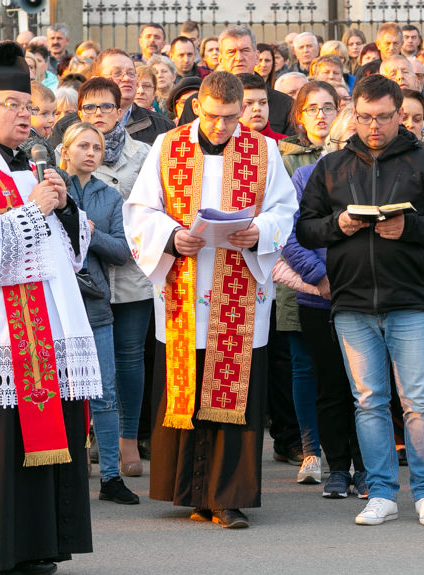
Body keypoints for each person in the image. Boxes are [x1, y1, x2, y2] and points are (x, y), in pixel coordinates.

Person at [0, 42, 101, 574]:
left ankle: (42, 546)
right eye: (12, 104)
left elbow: (66, 257)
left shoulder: (31, 165)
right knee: (7, 451)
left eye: (29, 106)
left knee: (49, 448)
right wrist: (35, 210)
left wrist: (64, 207)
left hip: (45, 334)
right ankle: (2, 551)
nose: (24, 115)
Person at [123, 71, 297, 529]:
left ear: (243, 109)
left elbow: (285, 208)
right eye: (215, 116)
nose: (222, 127)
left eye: (232, 117)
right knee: (188, 390)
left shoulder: (264, 150)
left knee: (232, 392)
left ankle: (227, 496)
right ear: (198, 106)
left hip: (238, 288)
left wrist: (260, 230)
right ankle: (190, 491)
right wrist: (172, 235)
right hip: (183, 287)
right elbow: (141, 209)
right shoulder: (167, 146)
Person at [297, 74, 424, 527]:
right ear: (355, 114)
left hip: (410, 299)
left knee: (418, 401)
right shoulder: (331, 165)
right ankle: (382, 492)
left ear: (399, 114)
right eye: (366, 118)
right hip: (351, 301)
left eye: (385, 118)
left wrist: (410, 229)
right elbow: (305, 229)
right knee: (368, 401)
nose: (375, 126)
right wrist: (341, 224)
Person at [282, 108, 367, 497]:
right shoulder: (305, 176)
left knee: (367, 389)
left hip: (368, 295)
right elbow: (292, 234)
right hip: (320, 296)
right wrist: (320, 277)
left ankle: (367, 468)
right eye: (345, 135)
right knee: (330, 386)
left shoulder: (377, 176)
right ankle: (337, 468)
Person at [73, 77, 153, 481]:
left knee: (129, 357)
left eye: (106, 107)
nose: (98, 115)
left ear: (121, 111)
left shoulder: (143, 153)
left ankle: (127, 439)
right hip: (87, 277)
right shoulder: (63, 158)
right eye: (90, 108)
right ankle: (91, 437)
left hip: (131, 269)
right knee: (86, 360)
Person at [59, 120, 139, 503]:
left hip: (95, 306)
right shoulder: (50, 186)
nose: (91, 153)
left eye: (97, 147)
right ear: (66, 149)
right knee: (62, 394)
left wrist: (90, 232)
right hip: (56, 304)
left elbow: (124, 252)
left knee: (105, 393)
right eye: (83, 146)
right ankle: (68, 473)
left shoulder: (109, 197)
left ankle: (110, 477)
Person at [176, 27, 295, 137]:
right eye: (231, 52)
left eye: (245, 50)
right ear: (221, 59)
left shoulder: (285, 105)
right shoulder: (201, 103)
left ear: (257, 56)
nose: (239, 57)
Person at [50, 48, 174, 148]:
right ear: (96, 81)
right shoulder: (67, 127)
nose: (126, 79)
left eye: (131, 73)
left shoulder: (163, 127)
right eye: (117, 73)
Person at [238, 73, 286, 141]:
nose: (257, 108)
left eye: (263, 102)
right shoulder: (222, 144)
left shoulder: (286, 145)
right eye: (249, 103)